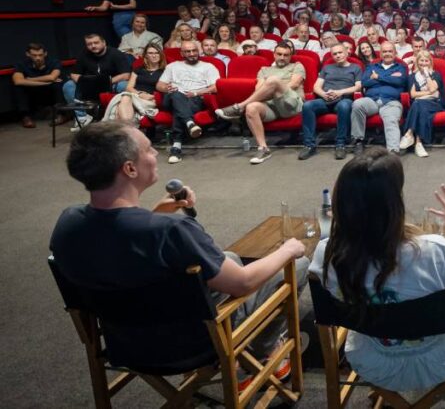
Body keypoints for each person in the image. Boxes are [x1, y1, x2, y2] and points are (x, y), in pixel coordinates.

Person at [52, 121, 308, 387]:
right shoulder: (173, 231)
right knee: (298, 264)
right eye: (150, 150)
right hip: (195, 345)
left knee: (228, 257)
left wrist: (155, 214)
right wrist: (288, 249)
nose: (155, 155)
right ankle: (262, 354)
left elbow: (117, 244)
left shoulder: (68, 222)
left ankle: (255, 355)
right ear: (129, 168)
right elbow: (242, 282)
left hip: (124, 343)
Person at [309, 149, 445, 392]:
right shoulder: (436, 253)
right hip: (439, 363)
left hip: (372, 361)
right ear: (395, 203)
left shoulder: (327, 254)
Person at [215, 44, 305, 164]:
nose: (282, 57)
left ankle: (238, 107)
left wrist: (274, 87)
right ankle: (263, 148)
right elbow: (258, 89)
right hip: (272, 107)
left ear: (290, 56)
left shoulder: (297, 66)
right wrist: (271, 89)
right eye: (279, 54)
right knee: (251, 107)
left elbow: (293, 84)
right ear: (274, 55)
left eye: (286, 55)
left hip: (291, 104)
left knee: (273, 80)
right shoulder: (264, 70)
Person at [298, 42, 363, 161]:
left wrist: (340, 92)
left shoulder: (355, 68)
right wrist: (323, 94)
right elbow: (316, 86)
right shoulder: (327, 68)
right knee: (307, 106)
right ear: (331, 56)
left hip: (343, 99)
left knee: (344, 106)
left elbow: (358, 87)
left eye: (340, 52)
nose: (338, 55)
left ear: (346, 52)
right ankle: (309, 145)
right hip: (325, 99)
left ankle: (340, 144)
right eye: (335, 54)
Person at [157, 41, 218, 164]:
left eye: (194, 51)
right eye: (187, 51)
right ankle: (189, 122)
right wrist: (166, 88)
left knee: (178, 108)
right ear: (182, 53)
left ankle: (177, 145)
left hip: (195, 98)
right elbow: (159, 85)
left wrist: (197, 93)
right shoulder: (172, 66)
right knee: (176, 95)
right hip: (172, 96)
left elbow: (216, 87)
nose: (191, 54)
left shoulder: (208, 67)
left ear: (198, 51)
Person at [63, 34, 132, 129]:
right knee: (68, 85)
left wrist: (105, 82)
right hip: (90, 86)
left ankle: (118, 117)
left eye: (96, 43)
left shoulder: (116, 53)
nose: (93, 46)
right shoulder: (83, 54)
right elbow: (74, 74)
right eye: (89, 44)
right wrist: (86, 82)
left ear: (103, 43)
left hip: (111, 84)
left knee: (124, 85)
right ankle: (82, 118)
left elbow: (126, 75)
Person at [351, 41, 408, 154]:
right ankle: (358, 141)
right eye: (384, 51)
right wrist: (389, 78)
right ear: (380, 54)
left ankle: (393, 151)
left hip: (391, 101)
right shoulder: (372, 66)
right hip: (371, 100)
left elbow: (400, 81)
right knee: (357, 104)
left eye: (390, 51)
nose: (387, 54)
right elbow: (365, 82)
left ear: (395, 53)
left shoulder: (401, 67)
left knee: (391, 118)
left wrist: (377, 77)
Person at [399, 51, 445, 158]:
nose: (424, 63)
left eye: (426, 60)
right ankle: (419, 143)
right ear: (417, 61)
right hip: (421, 103)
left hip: (435, 103)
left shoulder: (435, 74)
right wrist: (430, 93)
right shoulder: (412, 76)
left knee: (418, 103)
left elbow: (433, 88)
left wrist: (427, 75)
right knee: (420, 106)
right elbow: (413, 94)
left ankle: (409, 134)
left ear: (430, 62)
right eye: (421, 60)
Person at [103, 44, 165, 124]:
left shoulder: (165, 71)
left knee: (121, 104)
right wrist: (140, 94)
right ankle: (129, 127)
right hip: (135, 95)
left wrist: (152, 96)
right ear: (146, 55)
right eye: (150, 53)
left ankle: (126, 131)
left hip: (150, 99)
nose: (154, 55)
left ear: (161, 54)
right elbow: (129, 87)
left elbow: (166, 89)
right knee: (126, 97)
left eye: (156, 53)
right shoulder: (138, 70)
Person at [12, 43, 64, 128]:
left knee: (58, 83)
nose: (38, 58)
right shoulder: (21, 64)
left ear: (45, 54)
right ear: (28, 54)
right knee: (18, 87)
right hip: (32, 92)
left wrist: (29, 79)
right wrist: (44, 82)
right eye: (34, 55)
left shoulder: (54, 62)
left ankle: (61, 115)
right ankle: (26, 117)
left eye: (40, 55)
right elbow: (18, 81)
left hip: (48, 92)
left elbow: (52, 77)